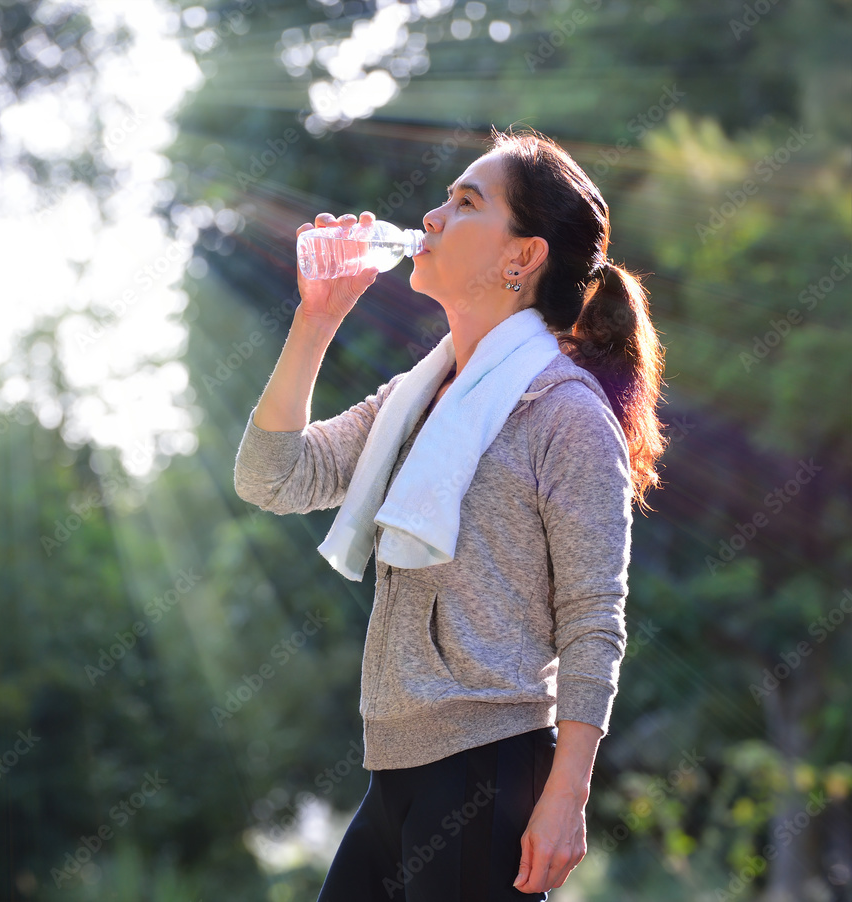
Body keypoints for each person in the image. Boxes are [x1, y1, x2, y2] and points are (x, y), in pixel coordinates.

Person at [233, 127, 667, 901]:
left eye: (466, 203)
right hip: (394, 765)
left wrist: (567, 793)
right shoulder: (414, 398)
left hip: (492, 765)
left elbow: (595, 615)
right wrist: (316, 320)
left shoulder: (566, 414)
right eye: (443, 199)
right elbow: (272, 476)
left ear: (521, 257)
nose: (431, 218)